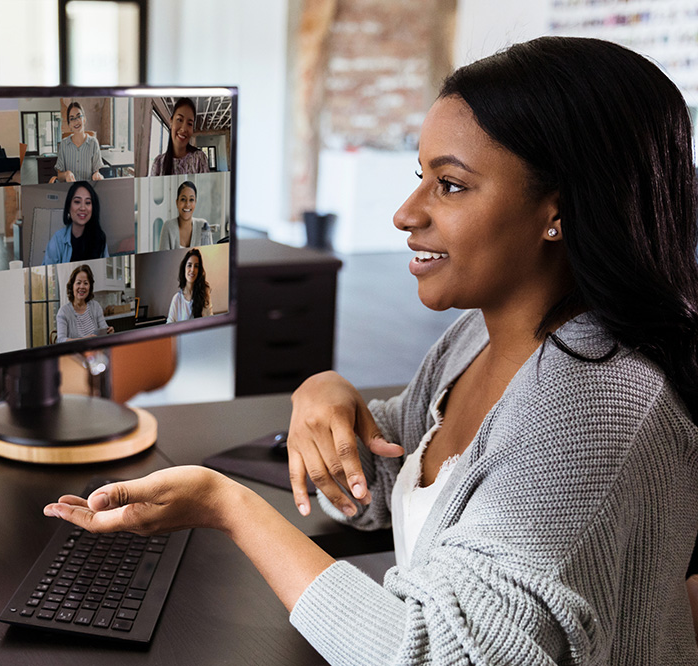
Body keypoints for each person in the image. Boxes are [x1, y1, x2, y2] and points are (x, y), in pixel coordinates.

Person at [44, 37, 698, 663]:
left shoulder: (596, 408)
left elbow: (431, 657)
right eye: (421, 176)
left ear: (560, 211)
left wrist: (228, 507)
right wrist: (326, 399)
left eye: (450, 185)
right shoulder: (478, 335)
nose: (405, 213)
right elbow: (393, 481)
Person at [42, 181, 109, 265]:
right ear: (69, 207)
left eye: (88, 203)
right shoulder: (57, 239)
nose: (83, 208)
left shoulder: (100, 238)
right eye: (77, 202)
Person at [149, 97, 209, 176]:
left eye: (190, 124)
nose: (184, 129)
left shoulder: (199, 158)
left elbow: (206, 188)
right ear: (171, 121)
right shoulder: (159, 163)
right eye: (179, 120)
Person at [55, 264, 113, 342]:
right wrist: (84, 340)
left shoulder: (96, 306)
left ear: (90, 287)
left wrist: (109, 332)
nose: (82, 286)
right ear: (72, 286)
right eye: (78, 283)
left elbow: (104, 329)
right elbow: (60, 340)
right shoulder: (63, 312)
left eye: (86, 283)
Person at [54, 101, 103, 183]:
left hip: (87, 190)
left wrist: (97, 175)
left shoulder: (93, 143)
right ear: (69, 125)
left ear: (84, 119)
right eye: (72, 118)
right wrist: (66, 174)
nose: (76, 121)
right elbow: (59, 176)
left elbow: (96, 171)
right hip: (70, 190)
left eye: (78, 116)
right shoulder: (64, 144)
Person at [158, 180, 213, 251]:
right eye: (183, 199)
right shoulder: (168, 227)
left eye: (191, 200)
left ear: (195, 202)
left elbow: (209, 257)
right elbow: (163, 260)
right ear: (177, 202)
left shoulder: (203, 226)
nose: (187, 204)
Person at [166, 248, 212, 323]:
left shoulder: (205, 294)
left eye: (196, 266)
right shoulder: (177, 299)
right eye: (189, 265)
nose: (192, 269)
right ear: (184, 268)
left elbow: (210, 319)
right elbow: (169, 325)